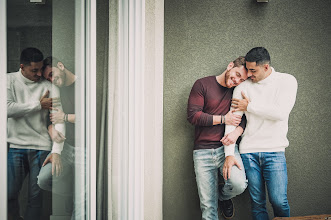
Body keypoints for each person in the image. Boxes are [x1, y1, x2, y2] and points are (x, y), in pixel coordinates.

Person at [223, 47, 298, 220]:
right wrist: (229, 153)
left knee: (279, 201)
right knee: (257, 204)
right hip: (249, 152)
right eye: (247, 69)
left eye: (253, 70)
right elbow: (232, 121)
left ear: (266, 67)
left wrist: (249, 107)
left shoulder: (287, 81)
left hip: (275, 151)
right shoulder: (243, 87)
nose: (248, 74)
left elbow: (280, 113)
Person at [187, 56, 251, 220]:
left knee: (239, 185)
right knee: (208, 207)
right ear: (230, 66)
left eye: (241, 79)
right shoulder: (202, 84)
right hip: (202, 152)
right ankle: (215, 200)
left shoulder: (237, 91)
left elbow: (243, 118)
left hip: (227, 150)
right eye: (236, 74)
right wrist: (223, 119)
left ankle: (223, 197)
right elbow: (193, 116)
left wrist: (237, 132)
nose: (236, 80)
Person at [7, 48, 65, 220]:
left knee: (35, 198)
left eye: (41, 69)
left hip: (41, 148)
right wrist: (38, 105)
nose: (40, 74)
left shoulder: (49, 86)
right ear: (22, 67)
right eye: (34, 70)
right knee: (9, 194)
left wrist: (56, 151)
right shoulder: (8, 80)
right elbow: (7, 109)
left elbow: (59, 120)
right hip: (16, 147)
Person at [37, 56, 81, 219]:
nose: (52, 79)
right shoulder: (57, 90)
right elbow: (54, 118)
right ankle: (73, 192)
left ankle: (78, 196)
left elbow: (92, 118)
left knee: (82, 205)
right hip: (66, 147)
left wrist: (66, 117)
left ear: (61, 66)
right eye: (48, 77)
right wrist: (50, 129)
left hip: (86, 150)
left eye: (52, 74)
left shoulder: (85, 86)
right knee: (43, 179)